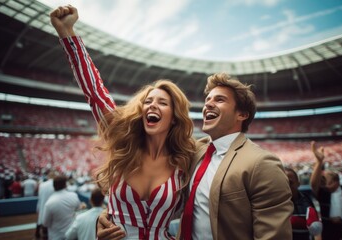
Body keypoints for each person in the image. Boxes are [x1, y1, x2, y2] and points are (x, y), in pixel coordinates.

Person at [50, 5, 195, 239]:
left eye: (162, 103)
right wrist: (68, 33)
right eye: (148, 101)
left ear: (175, 116)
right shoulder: (123, 142)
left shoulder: (186, 161)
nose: (152, 106)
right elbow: (94, 91)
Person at [97, 73, 293, 239]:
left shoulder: (261, 163)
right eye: (207, 100)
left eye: (219, 99)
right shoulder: (192, 152)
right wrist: (110, 214)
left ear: (242, 114)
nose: (208, 104)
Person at [310, 141, 342, 240]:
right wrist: (319, 162)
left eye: (328, 182)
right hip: (330, 231)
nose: (325, 185)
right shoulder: (324, 193)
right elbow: (313, 184)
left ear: (336, 182)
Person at [42, 175, 87, 240]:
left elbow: (45, 223)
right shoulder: (73, 195)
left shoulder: (49, 203)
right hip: (71, 235)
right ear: (65, 185)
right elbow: (78, 208)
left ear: (54, 186)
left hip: (56, 236)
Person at [285, 167, 322, 240]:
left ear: (298, 184)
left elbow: (315, 231)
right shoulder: (275, 203)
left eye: (290, 183)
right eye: (283, 183)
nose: (286, 186)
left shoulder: (307, 200)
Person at [36, 171, 56, 239]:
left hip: (43, 204)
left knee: (41, 220)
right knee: (50, 224)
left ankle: (38, 234)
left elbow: (39, 196)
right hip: (51, 205)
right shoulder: (55, 184)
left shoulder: (42, 184)